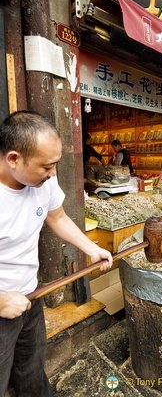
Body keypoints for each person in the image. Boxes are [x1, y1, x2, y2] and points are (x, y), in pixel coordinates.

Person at [0, 111, 113, 397]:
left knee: (32, 366)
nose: (53, 174)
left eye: (55, 165)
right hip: (3, 306)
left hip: (31, 294)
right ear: (13, 159)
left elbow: (58, 217)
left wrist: (92, 249)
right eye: (46, 166)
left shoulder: (43, 183)